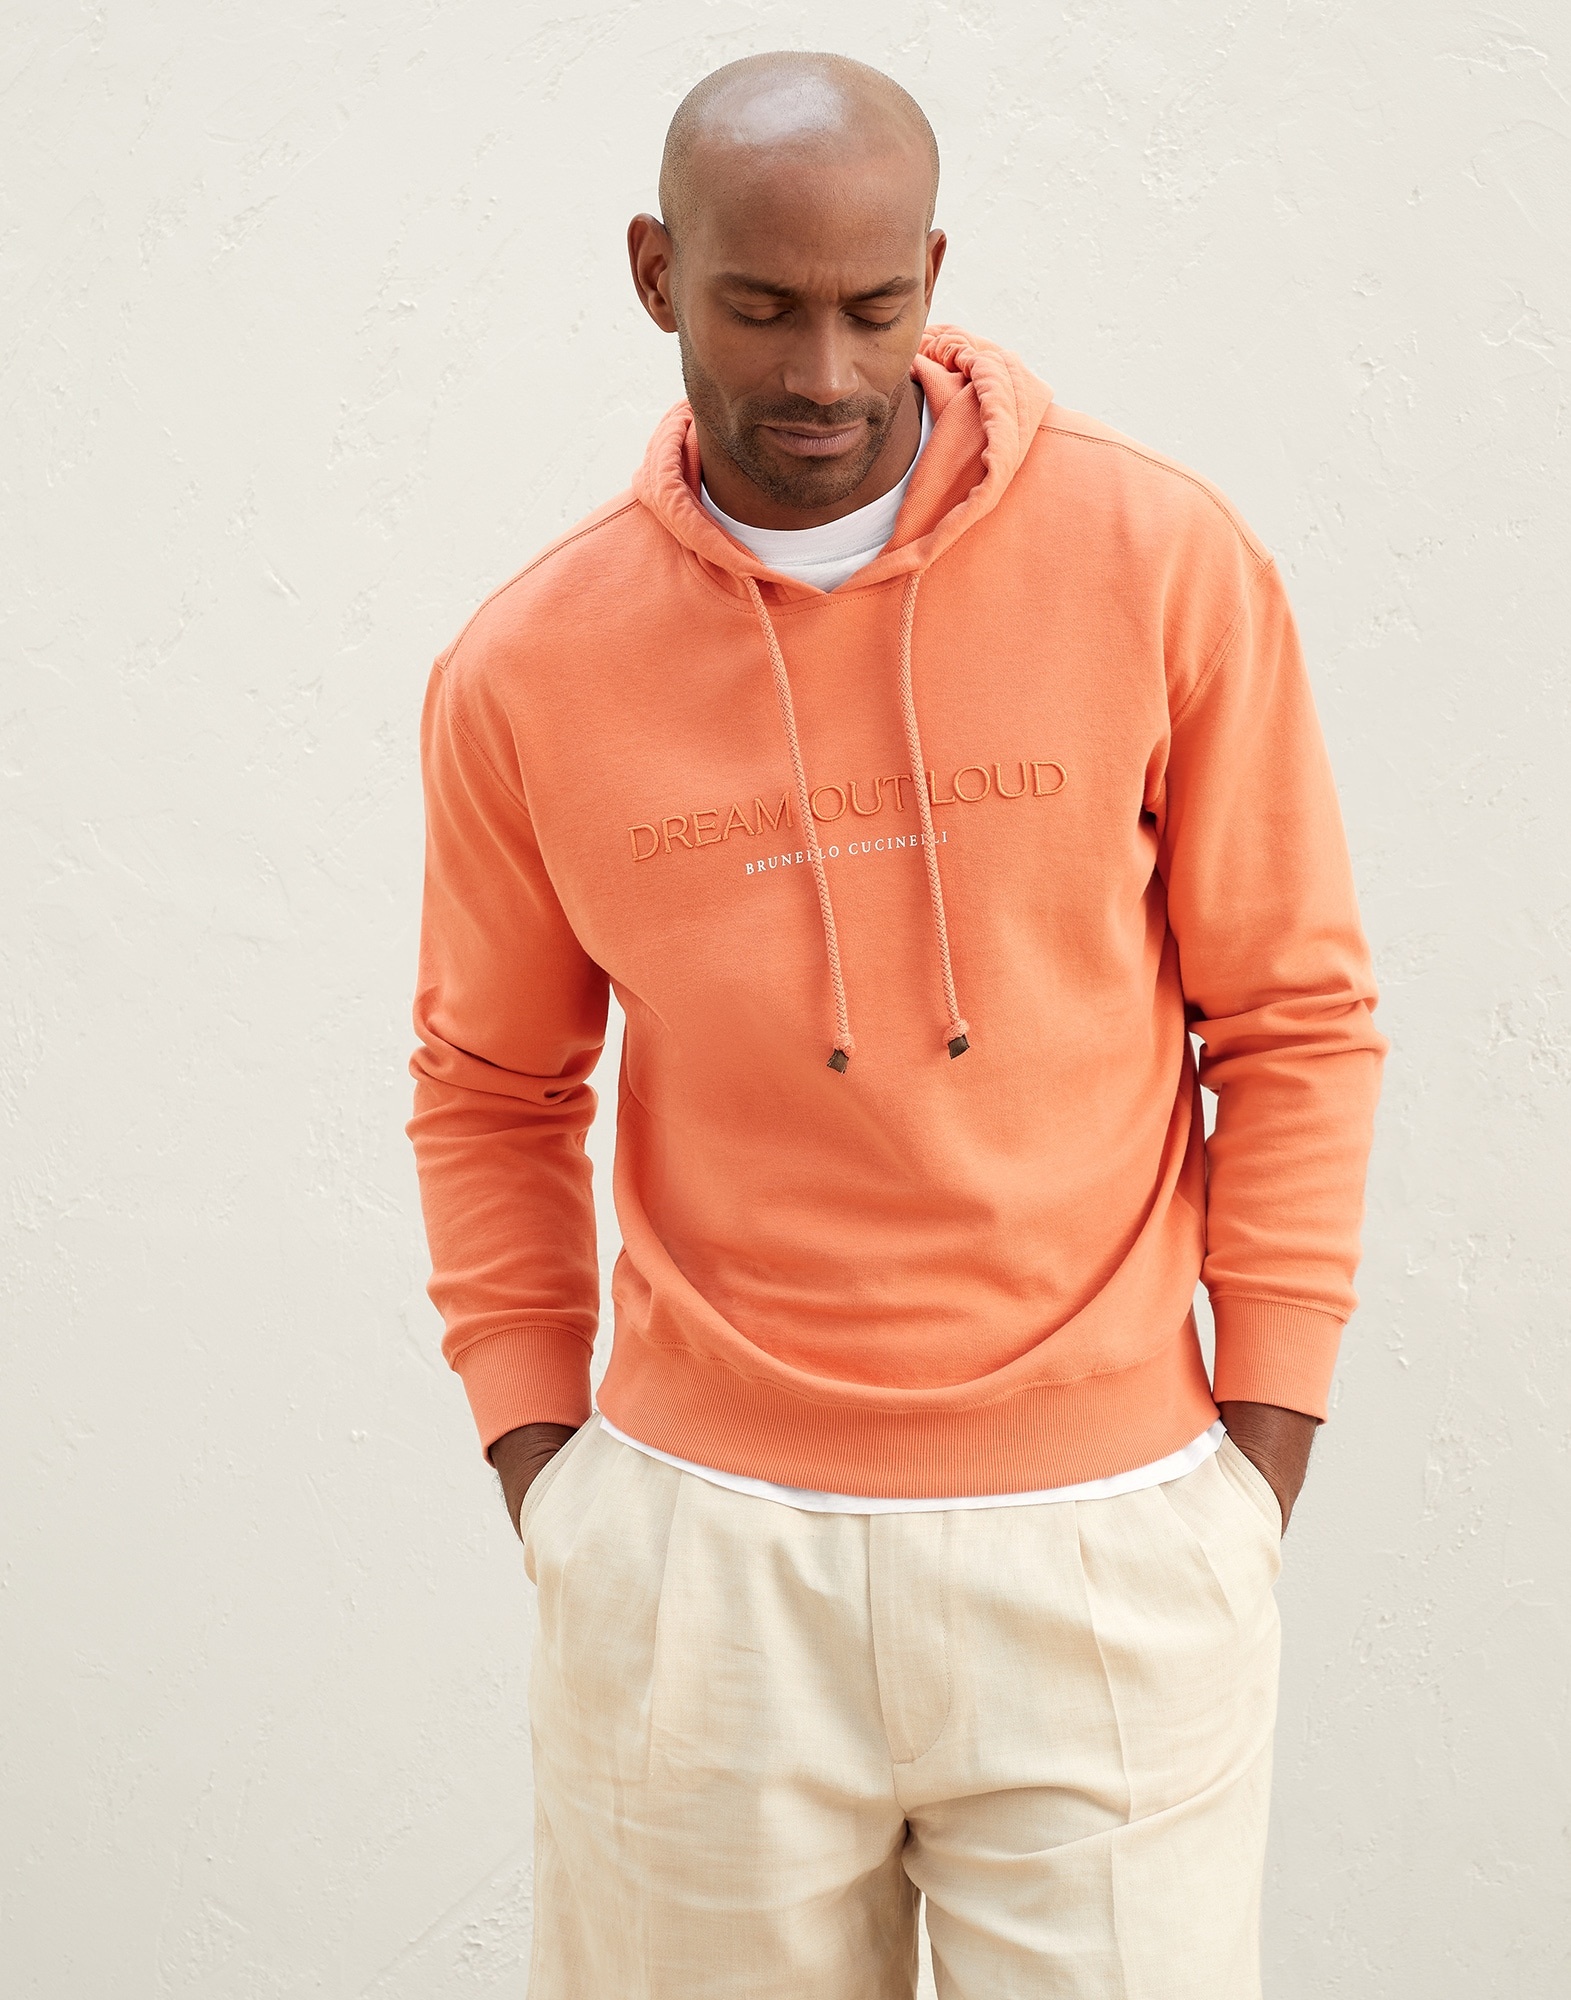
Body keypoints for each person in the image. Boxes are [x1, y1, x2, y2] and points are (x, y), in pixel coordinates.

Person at [408, 49, 1385, 2000]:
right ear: (654, 272)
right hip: (702, 1561)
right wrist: (549, 1470)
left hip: (1109, 1536)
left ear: (934, 273)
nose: (825, 373)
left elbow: (1293, 1016)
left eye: (874, 307)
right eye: (761, 307)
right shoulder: (527, 666)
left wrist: (1252, 1459)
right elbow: (491, 1087)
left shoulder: (1158, 560)